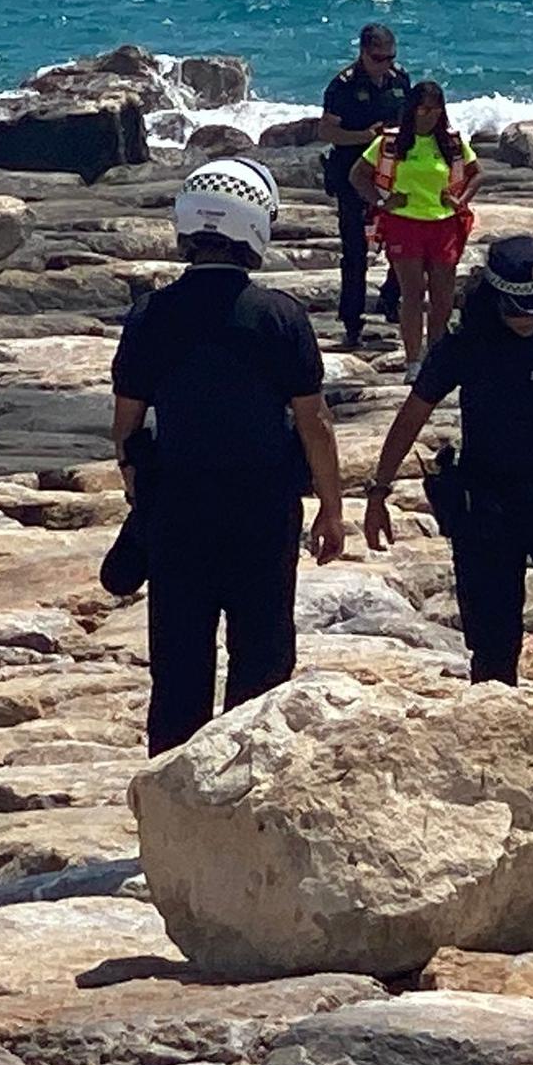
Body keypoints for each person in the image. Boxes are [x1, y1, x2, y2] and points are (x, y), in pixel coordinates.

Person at [362, 236, 533, 800]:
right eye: (515, 310)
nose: (525, 321)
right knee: (493, 638)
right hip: (488, 505)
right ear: (494, 297)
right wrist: (379, 490)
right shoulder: (465, 343)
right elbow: (414, 412)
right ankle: (491, 757)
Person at [111, 156, 347, 756]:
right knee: (262, 664)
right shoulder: (279, 316)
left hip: (177, 512)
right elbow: (314, 423)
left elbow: (127, 428)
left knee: (179, 667)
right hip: (261, 513)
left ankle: (170, 799)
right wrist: (331, 508)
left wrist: (141, 498)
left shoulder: (149, 315)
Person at [350, 81, 482, 383]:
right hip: (404, 223)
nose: (429, 115)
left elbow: (477, 173)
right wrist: (382, 201)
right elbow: (358, 175)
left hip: (444, 223)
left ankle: (437, 355)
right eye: (424, 109)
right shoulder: (391, 143)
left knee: (443, 297)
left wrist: (461, 200)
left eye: (435, 109)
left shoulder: (450, 143)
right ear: (412, 109)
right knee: (412, 293)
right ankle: (413, 362)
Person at [319, 23, 409, 347]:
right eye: (378, 58)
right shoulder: (343, 86)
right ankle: (352, 319)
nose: (384, 64)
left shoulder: (400, 80)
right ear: (363, 53)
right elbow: (326, 132)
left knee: (403, 239)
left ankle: (390, 297)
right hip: (352, 175)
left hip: (392, 172)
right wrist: (364, 137)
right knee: (355, 250)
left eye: (390, 57)